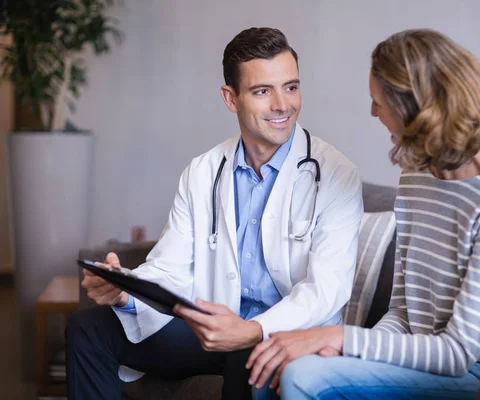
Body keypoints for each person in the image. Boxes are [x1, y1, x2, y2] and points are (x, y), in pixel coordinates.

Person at [247, 28, 480, 400]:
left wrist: (340, 338)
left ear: (416, 109)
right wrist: (343, 351)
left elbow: (459, 352)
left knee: (302, 377)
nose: (373, 111)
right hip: (425, 356)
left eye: (380, 101)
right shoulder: (416, 174)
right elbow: (405, 313)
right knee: (271, 371)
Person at [66, 27, 363, 400]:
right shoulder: (202, 171)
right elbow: (170, 269)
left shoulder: (336, 174)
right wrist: (125, 290)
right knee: (88, 329)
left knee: (250, 357)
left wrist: (253, 329)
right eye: (262, 91)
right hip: (208, 332)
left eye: (291, 87)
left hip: (280, 334)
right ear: (230, 97)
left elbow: (327, 290)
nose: (282, 105)